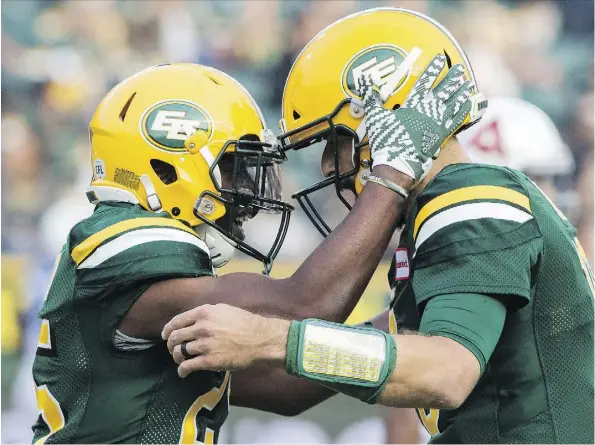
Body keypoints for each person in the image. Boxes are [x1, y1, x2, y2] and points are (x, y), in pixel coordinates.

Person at [163, 8, 595, 444]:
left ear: (380, 124)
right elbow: (298, 385)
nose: (329, 165)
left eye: (334, 143)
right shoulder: (440, 218)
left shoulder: (469, 195)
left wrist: (268, 337)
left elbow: (445, 371)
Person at [31, 52, 471, 442]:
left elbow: (287, 388)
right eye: (233, 167)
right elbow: (303, 307)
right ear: (166, 165)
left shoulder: (140, 269)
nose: (246, 192)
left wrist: (404, 315)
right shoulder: (123, 240)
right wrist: (393, 174)